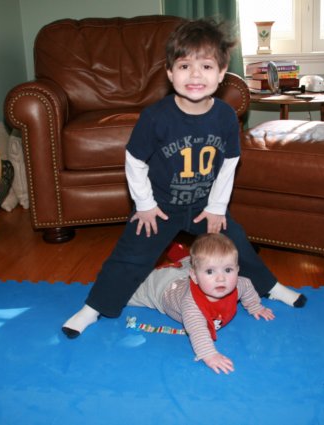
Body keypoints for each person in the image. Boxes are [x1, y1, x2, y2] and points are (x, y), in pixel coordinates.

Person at [62, 18, 305, 339]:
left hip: (205, 206)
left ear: (221, 73)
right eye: (185, 66)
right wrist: (144, 204)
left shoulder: (225, 116)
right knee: (130, 256)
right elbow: (134, 160)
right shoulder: (156, 117)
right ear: (169, 72)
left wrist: (217, 207)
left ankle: (270, 287)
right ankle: (94, 307)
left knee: (237, 244)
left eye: (206, 66)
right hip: (160, 206)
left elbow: (230, 162)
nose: (195, 75)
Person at [128, 233, 275, 374]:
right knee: (126, 294)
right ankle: (166, 252)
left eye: (228, 270)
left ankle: (178, 253)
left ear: (237, 270)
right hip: (161, 287)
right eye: (210, 272)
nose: (221, 278)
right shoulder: (192, 306)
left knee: (191, 263)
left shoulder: (240, 284)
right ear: (194, 277)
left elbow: (247, 287)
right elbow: (198, 331)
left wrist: (255, 306)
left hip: (187, 273)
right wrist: (209, 355)